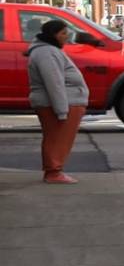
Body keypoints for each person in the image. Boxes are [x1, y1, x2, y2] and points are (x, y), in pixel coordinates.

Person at [27, 18, 90, 184]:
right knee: (57, 139)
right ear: (53, 35)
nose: (66, 36)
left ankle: (54, 171)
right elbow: (54, 82)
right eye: (63, 33)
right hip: (60, 104)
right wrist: (62, 110)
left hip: (65, 103)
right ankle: (53, 172)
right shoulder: (47, 52)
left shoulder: (49, 51)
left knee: (59, 139)